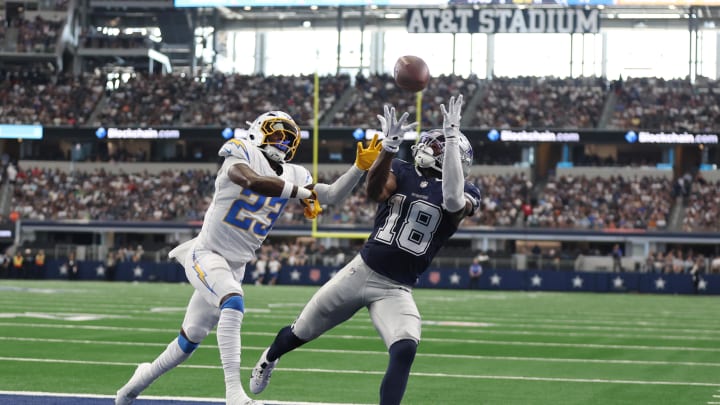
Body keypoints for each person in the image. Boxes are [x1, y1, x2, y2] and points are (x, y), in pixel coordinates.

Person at [114, 110, 383, 405]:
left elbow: (330, 195)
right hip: (207, 253)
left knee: (188, 341)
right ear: (258, 131)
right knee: (233, 301)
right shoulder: (241, 151)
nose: (282, 143)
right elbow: (251, 181)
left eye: (288, 139)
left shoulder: (296, 173)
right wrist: (302, 193)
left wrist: (358, 167)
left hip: (235, 264)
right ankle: (233, 393)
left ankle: (131, 388)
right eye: (277, 134)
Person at [249, 96, 480, 405]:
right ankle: (269, 357)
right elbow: (374, 191)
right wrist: (388, 148)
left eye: (436, 146)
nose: (427, 147)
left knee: (405, 347)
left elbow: (452, 201)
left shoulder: (467, 191)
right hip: (360, 271)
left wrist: (451, 136)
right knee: (301, 331)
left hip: (396, 288)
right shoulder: (402, 169)